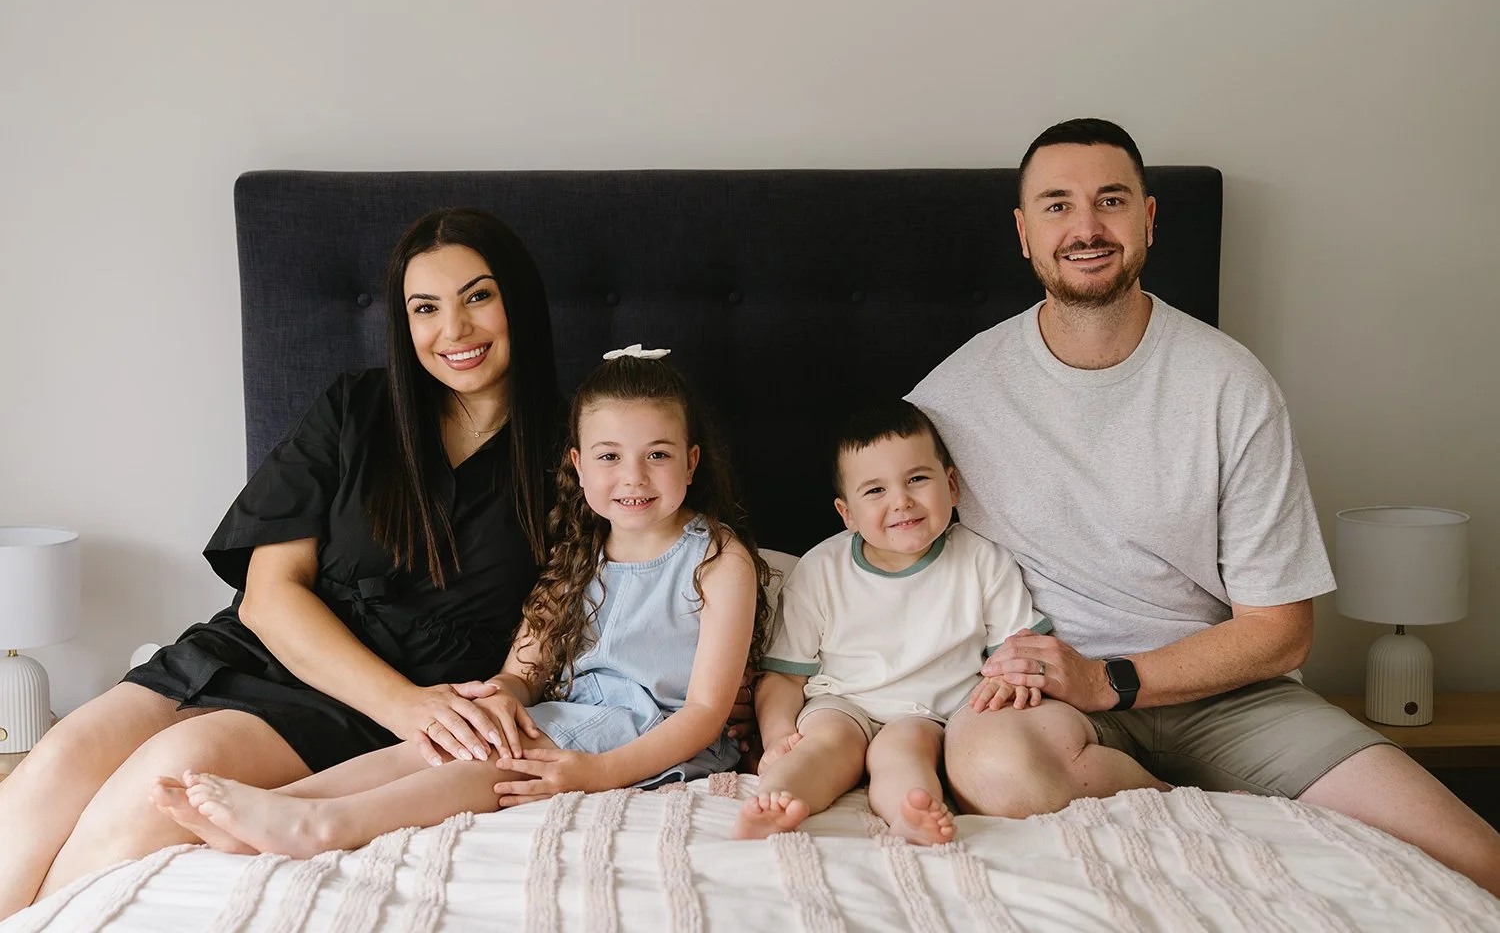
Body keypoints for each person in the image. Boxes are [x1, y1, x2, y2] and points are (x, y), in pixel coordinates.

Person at [908, 117, 1500, 895]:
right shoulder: (955, 397)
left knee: (1478, 861)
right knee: (994, 766)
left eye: (1110, 201)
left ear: (1148, 220)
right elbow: (876, 556)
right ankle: (1227, 835)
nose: (1085, 228)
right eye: (1056, 206)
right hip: (1047, 700)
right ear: (1024, 233)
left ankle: (1244, 820)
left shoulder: (1229, 385)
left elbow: (1281, 633)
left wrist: (1109, 679)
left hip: (1228, 697)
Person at [0, 208, 561, 917]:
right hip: (256, 647)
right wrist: (408, 707)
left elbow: (569, 598)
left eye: (478, 296)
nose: (454, 331)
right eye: (426, 308)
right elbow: (268, 596)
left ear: (519, 299)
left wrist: (475, 694)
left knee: (162, 780)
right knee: (60, 755)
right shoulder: (356, 408)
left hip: (378, 699)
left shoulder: (581, 449)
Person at [149, 349, 769, 857]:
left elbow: (707, 710)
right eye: (610, 456)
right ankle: (290, 805)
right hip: (568, 717)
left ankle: (325, 827)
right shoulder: (577, 551)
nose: (633, 477)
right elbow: (523, 672)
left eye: (657, 455)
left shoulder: (718, 559)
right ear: (578, 467)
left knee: (491, 769)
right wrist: (500, 698)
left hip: (646, 735)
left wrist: (598, 775)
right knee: (448, 744)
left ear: (691, 462)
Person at [733, 402, 1166, 845]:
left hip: (926, 714)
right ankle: (775, 800)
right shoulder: (822, 569)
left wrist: (1009, 681)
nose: (901, 501)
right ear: (847, 514)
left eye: (917, 479)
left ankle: (912, 812)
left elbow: (1019, 654)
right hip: (843, 701)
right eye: (875, 491)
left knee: (901, 752)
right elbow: (784, 676)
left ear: (952, 485)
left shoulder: (982, 560)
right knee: (821, 744)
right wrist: (779, 735)